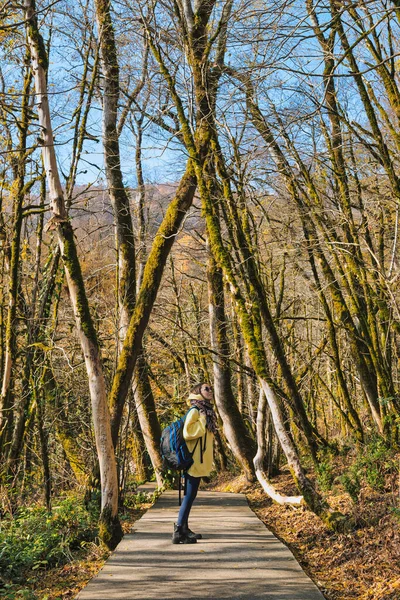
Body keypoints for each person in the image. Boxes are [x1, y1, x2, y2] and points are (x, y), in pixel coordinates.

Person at [172, 382, 217, 544]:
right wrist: (203, 421)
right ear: (198, 392)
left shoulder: (204, 410)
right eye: (207, 388)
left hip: (198, 460)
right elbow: (188, 433)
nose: (210, 391)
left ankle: (183, 528)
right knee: (190, 496)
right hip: (192, 460)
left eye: (210, 388)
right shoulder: (196, 410)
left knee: (189, 496)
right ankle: (178, 531)